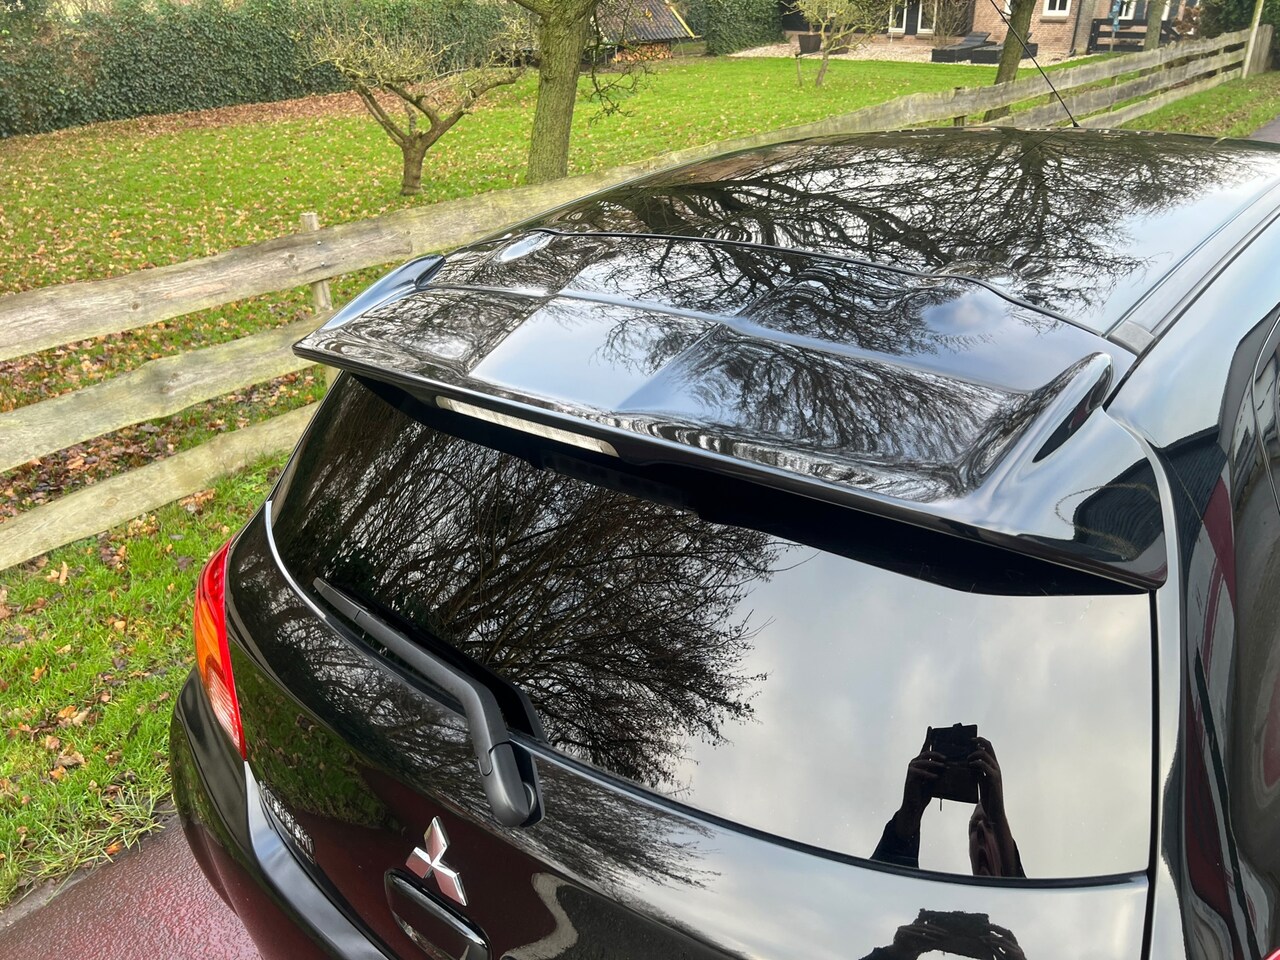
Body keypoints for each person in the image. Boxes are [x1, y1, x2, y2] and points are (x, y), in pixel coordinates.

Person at [872, 732, 1024, 878]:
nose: (980, 829)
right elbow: (885, 884)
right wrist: (910, 812)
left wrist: (997, 817)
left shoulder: (1026, 895)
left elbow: (1017, 892)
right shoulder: (945, 894)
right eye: (973, 826)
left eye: (989, 826)